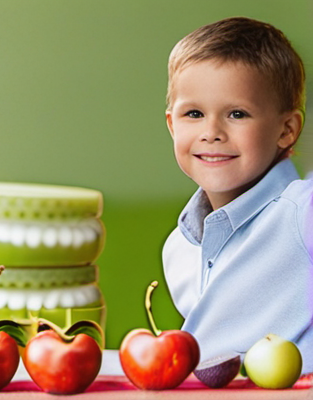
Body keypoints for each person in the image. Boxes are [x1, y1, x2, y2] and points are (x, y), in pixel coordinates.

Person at [163, 17, 313, 372]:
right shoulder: (179, 248)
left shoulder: (302, 210)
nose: (211, 132)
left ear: (286, 130)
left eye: (237, 113)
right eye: (194, 113)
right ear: (172, 124)